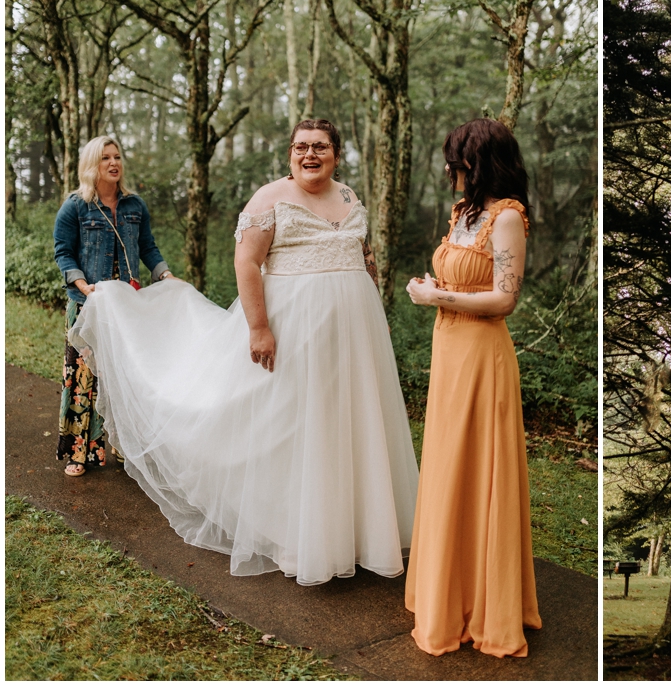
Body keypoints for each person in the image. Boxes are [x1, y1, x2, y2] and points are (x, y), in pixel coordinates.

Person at [69, 119, 419, 586]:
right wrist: (258, 328)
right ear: (289, 154)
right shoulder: (270, 198)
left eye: (319, 147)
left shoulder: (350, 196)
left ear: (337, 153)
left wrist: (371, 305)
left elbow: (365, 254)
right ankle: (301, 536)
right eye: (300, 147)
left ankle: (359, 531)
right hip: (293, 330)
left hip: (354, 336)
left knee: (349, 422)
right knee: (296, 424)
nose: (309, 155)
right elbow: (247, 261)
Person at [404, 118, 542, 658]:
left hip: (483, 355)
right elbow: (462, 281)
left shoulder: (507, 218)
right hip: (449, 351)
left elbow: (504, 298)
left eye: (456, 160)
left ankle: (483, 603)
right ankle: (445, 590)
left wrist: (438, 299)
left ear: (480, 163)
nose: (449, 170)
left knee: (478, 468)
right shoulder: (463, 214)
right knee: (446, 466)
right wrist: (433, 287)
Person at [53, 135, 177, 477]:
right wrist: (82, 285)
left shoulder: (135, 206)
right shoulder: (75, 206)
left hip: (126, 308)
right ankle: (81, 453)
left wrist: (164, 274)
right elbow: (63, 251)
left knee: (126, 377)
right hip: (88, 305)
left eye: (117, 156)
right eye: (105, 158)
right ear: (91, 166)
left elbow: (148, 248)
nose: (113, 163)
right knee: (83, 378)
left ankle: (126, 447)